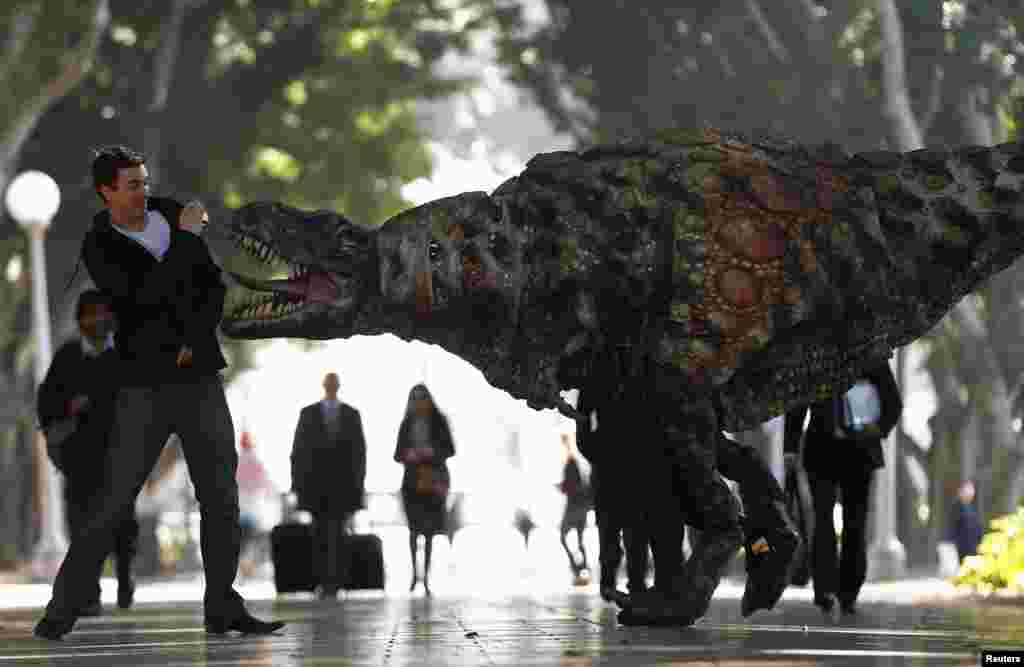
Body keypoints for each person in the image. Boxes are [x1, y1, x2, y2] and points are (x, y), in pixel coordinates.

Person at [35, 145, 283, 639]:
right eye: (133, 185)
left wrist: (193, 340)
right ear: (106, 191)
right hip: (143, 385)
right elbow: (141, 296)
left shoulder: (171, 215)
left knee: (221, 495)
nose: (144, 192)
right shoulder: (100, 245)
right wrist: (187, 243)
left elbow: (210, 288)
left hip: (199, 377)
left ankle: (222, 605)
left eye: (145, 181)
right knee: (112, 499)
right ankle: (61, 609)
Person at [36, 289, 138, 614]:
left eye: (102, 313)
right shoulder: (67, 357)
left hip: (119, 452)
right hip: (79, 458)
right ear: (80, 320)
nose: (97, 320)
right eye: (89, 314)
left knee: (121, 522)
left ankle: (124, 576)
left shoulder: (124, 355)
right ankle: (89, 592)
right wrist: (68, 409)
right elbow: (47, 400)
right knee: (81, 524)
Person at [784, 361, 902, 617]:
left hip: (860, 452)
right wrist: (790, 448)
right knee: (823, 520)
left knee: (855, 524)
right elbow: (798, 401)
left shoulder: (871, 355)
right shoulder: (819, 353)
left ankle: (848, 593)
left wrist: (877, 429)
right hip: (821, 450)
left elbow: (893, 403)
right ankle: (825, 590)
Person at [290, 372, 367, 599]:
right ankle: (323, 581)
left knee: (339, 536)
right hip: (315, 487)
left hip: (343, 488)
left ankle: (337, 582)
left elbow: (360, 454)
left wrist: (358, 487)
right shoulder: (308, 413)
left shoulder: (352, 414)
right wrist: (297, 486)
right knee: (320, 535)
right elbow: (298, 452)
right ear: (324, 385)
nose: (331, 386)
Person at [394, 383, 454, 597]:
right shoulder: (406, 423)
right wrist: (409, 455)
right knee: (413, 530)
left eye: (423, 398)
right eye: (415, 398)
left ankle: (426, 578)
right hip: (412, 481)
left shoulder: (439, 422)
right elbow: (397, 454)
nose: (419, 402)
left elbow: (450, 449)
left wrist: (432, 452)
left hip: (434, 480)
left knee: (429, 531)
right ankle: (414, 575)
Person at [557, 434, 592, 585]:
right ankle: (583, 567)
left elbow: (570, 486)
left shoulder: (571, 463)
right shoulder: (577, 466)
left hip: (573, 508)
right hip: (580, 509)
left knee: (564, 538)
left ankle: (578, 567)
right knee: (579, 540)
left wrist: (563, 487)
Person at [948, 479, 984, 563]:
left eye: (972, 490)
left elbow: (977, 527)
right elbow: (952, 528)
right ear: (960, 492)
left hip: (974, 548)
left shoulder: (972, 507)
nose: (971, 492)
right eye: (968, 490)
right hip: (962, 549)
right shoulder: (956, 507)